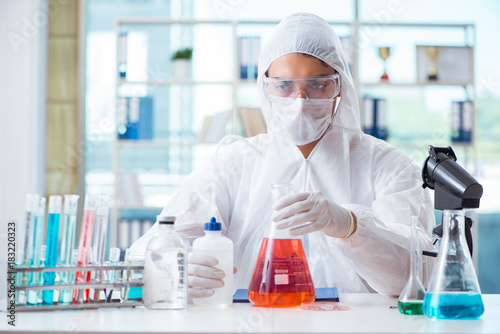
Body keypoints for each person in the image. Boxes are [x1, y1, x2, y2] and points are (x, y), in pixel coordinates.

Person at [130, 12, 436, 298]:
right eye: (284, 85)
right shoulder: (233, 163)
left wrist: (351, 225)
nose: (300, 101)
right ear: (265, 88)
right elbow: (150, 249)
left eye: (317, 85)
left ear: (339, 86)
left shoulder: (388, 166)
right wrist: (174, 267)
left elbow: (418, 275)